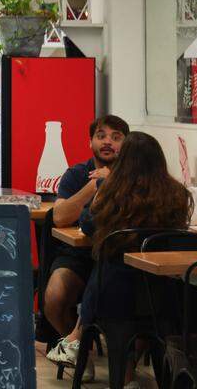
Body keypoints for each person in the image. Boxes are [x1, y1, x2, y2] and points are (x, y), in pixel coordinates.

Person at [48, 131, 193, 382]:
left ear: (123, 161)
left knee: (107, 264)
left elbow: (89, 226)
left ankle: (82, 341)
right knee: (118, 272)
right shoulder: (176, 195)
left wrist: (100, 196)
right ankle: (125, 371)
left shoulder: (114, 194)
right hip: (161, 297)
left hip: (114, 298)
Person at [43, 114, 129, 339]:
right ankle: (80, 351)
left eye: (116, 137)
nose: (107, 142)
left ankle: (119, 358)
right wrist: (94, 185)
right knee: (54, 298)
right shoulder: (77, 174)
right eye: (101, 136)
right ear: (90, 142)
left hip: (119, 257)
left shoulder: (132, 177)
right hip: (78, 254)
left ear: (127, 144)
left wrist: (112, 181)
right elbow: (59, 217)